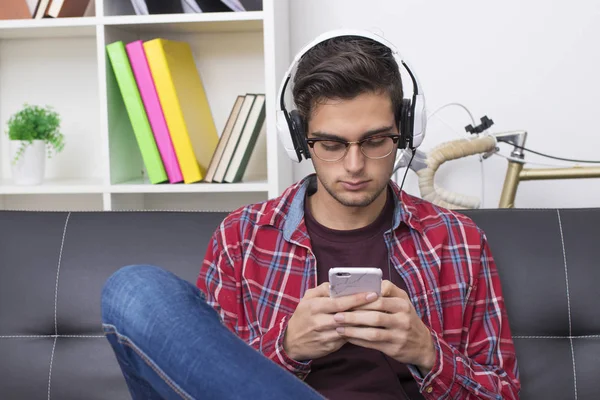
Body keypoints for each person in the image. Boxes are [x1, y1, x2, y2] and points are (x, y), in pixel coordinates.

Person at [101, 30, 521, 400]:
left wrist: (426, 351)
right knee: (133, 288)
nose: (355, 165)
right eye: (332, 144)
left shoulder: (456, 239)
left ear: (406, 131)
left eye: (375, 140)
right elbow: (205, 376)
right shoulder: (242, 236)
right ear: (301, 140)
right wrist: (288, 346)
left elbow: (502, 393)